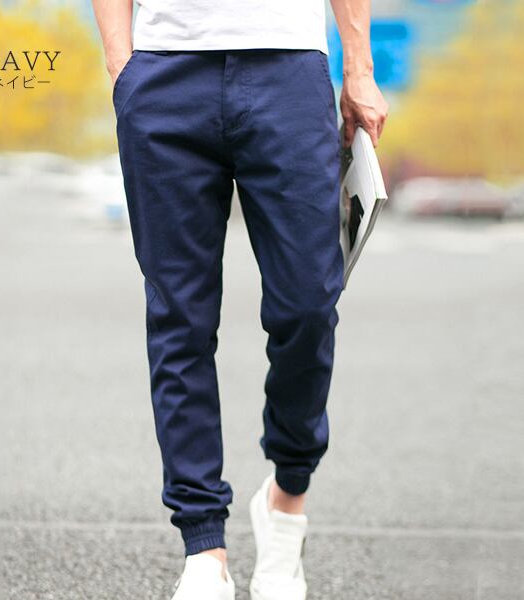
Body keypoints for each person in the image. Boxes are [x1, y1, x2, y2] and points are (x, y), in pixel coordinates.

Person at [92, 0, 388, 598]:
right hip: (164, 71)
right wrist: (122, 66)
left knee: (309, 304)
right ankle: (204, 547)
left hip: (289, 68)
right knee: (179, 316)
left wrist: (359, 68)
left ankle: (287, 498)